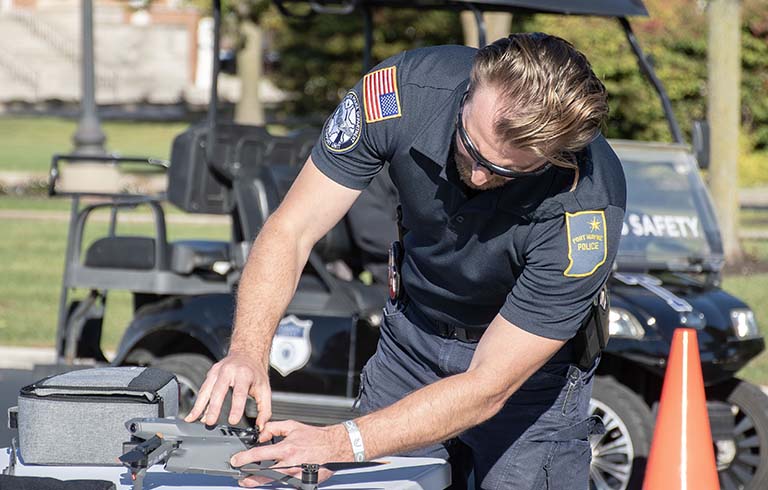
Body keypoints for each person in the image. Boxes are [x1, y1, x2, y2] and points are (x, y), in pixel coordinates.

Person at [186, 33, 626, 489]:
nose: (478, 175)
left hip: (528, 382)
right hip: (411, 347)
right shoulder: (399, 93)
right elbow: (292, 229)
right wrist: (247, 352)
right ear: (467, 91)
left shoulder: (586, 209)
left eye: (507, 171)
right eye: (470, 147)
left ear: (555, 156)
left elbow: (487, 385)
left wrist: (339, 444)